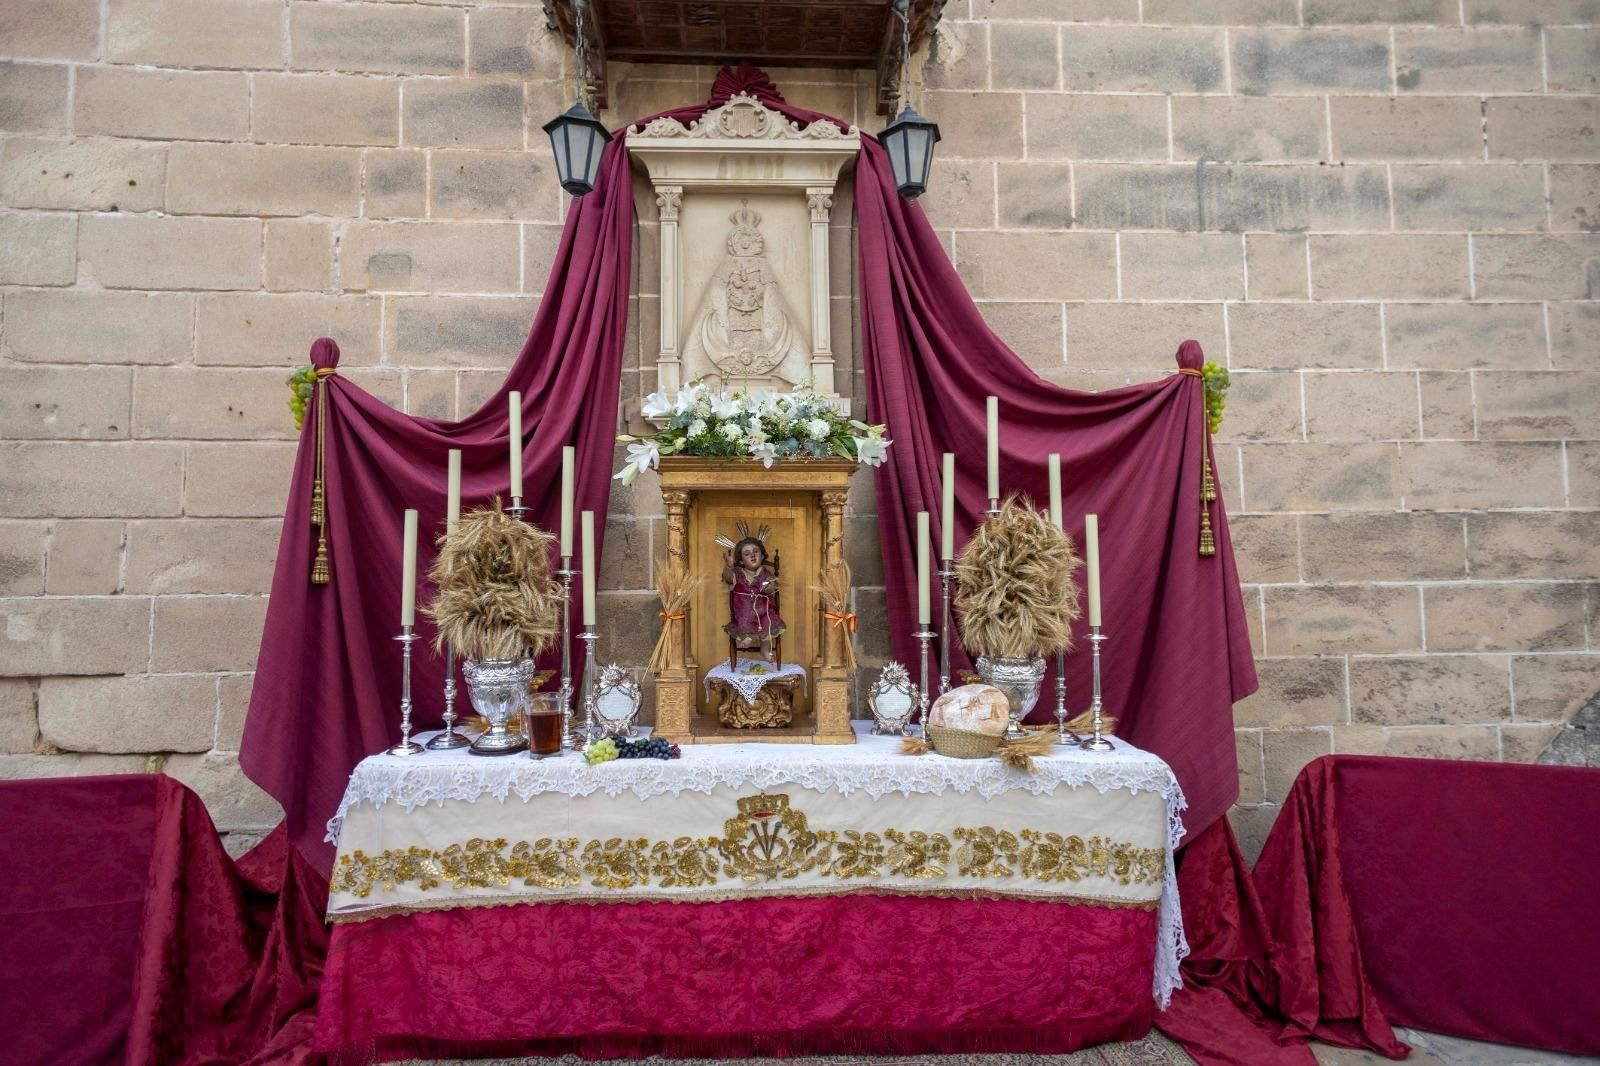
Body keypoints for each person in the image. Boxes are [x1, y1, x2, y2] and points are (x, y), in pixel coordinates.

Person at [722, 536, 784, 664]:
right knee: (745, 615)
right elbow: (728, 578)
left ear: (762, 556)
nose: (752, 555)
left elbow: (772, 587)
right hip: (743, 609)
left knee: (769, 621)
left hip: (764, 610)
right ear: (741, 560)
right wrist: (729, 567)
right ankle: (746, 636)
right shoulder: (738, 573)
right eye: (747, 554)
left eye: (756, 551)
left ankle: (765, 649)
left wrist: (768, 588)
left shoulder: (766, 573)